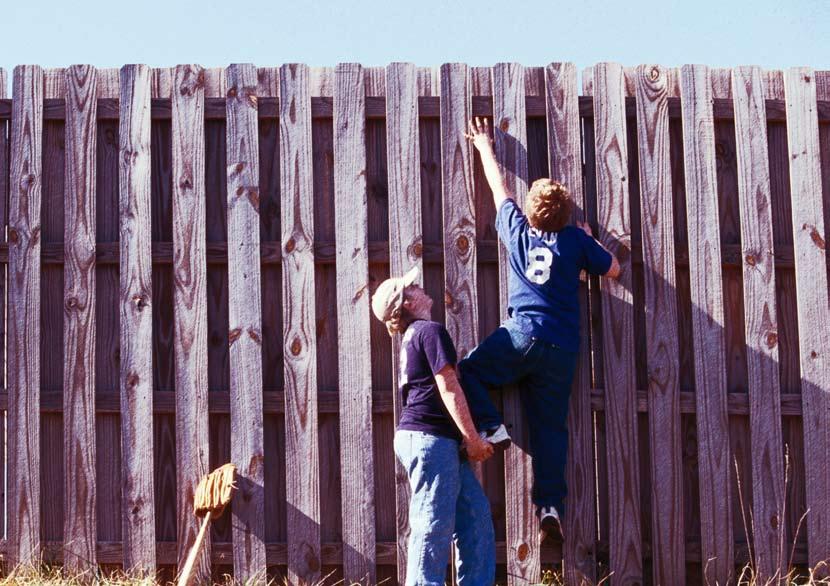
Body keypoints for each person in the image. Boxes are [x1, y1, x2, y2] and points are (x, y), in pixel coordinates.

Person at [459, 117, 621, 541]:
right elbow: (616, 269)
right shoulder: (575, 241)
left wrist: (483, 147)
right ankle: (550, 505)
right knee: (550, 427)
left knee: (470, 371)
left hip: (522, 335)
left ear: (531, 213)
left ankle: (492, 426)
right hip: (562, 348)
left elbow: (499, 188)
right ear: (568, 217)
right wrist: (590, 237)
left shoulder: (517, 231)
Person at [371, 267, 497, 586]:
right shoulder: (429, 330)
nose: (418, 286)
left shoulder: (415, 337)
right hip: (431, 441)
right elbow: (448, 386)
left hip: (436, 441)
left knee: (475, 520)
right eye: (411, 286)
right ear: (407, 303)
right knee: (432, 524)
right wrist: (473, 439)